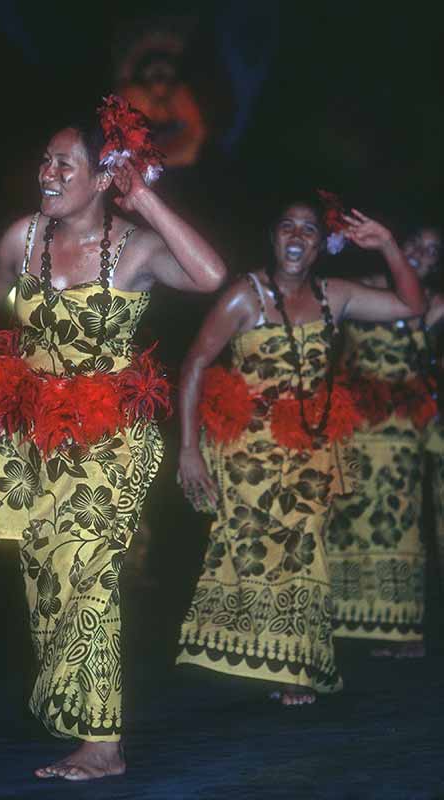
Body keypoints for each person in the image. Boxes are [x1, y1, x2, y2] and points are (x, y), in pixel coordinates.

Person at [0, 98, 226, 782]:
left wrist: (146, 200)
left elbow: (210, 275)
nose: (47, 174)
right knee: (48, 582)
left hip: (113, 439)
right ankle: (77, 713)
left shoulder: (134, 249)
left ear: (103, 176)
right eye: (45, 161)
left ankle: (103, 744)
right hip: (32, 439)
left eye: (65, 165)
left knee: (89, 574)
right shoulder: (23, 238)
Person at [176, 200, 425, 706]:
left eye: (309, 230)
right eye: (287, 226)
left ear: (321, 245)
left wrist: (386, 245)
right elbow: (194, 365)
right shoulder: (245, 295)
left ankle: (294, 668)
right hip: (247, 454)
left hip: (311, 451)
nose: (296, 236)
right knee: (254, 557)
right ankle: (264, 657)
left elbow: (410, 305)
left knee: (306, 551)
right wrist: (187, 450)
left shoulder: (335, 295)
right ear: (273, 236)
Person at [327, 224, 444, 658]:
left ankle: (400, 628)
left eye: (432, 251)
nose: (421, 253)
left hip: (402, 431)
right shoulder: (357, 289)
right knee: (345, 517)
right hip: (353, 423)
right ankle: (337, 620)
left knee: (400, 522)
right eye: (415, 242)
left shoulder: (434, 303)